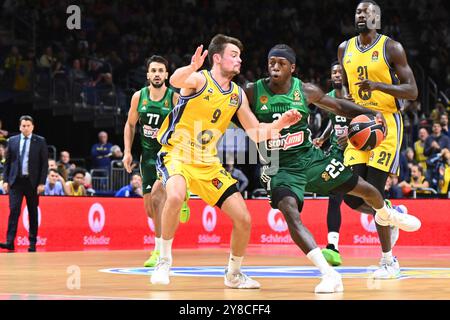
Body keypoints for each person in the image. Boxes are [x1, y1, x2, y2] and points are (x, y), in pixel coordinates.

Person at [246, 44, 420, 293]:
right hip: (280, 168)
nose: (274, 66)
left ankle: (389, 215)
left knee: (366, 191)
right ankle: (328, 274)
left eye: (280, 63)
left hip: (312, 160)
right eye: (271, 62)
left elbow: (339, 107)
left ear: (292, 68)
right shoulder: (253, 92)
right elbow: (234, 110)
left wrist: (370, 113)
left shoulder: (305, 90)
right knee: (289, 212)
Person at [151, 34, 301, 288]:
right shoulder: (199, 79)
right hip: (176, 152)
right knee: (175, 195)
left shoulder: (237, 95)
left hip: (207, 162)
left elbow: (255, 132)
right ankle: (163, 261)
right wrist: (191, 66)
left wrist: (280, 124)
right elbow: (175, 80)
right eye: (234, 55)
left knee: (243, 218)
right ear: (217, 58)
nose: (239, 60)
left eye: (240, 56)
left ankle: (233, 274)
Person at [338, 0, 419, 278]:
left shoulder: (391, 47)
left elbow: (411, 91)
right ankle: (392, 213)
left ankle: (388, 261)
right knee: (350, 194)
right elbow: (345, 95)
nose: (362, 15)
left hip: (386, 124)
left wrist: (379, 86)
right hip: (360, 124)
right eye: (359, 11)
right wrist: (346, 126)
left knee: (374, 191)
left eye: (368, 12)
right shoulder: (344, 49)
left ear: (378, 19)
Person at [122, 55, 190, 268]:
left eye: (161, 70)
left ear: (167, 75)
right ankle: (183, 198)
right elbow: (130, 125)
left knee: (159, 198)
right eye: (154, 70)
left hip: (168, 155)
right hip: (147, 157)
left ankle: (159, 252)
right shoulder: (138, 97)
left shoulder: (174, 98)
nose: (157, 74)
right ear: (148, 74)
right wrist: (127, 151)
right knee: (150, 208)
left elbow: (186, 125)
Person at [312, 62, 349, 266]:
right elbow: (333, 122)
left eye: (340, 71)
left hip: (356, 152)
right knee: (334, 196)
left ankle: (389, 212)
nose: (336, 74)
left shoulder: (354, 96)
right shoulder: (329, 97)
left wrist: (352, 137)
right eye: (333, 71)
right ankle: (333, 246)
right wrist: (324, 138)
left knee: (358, 199)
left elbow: (365, 122)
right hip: (336, 152)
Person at [0, 115, 48, 252]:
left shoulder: (40, 141)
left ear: (32, 127)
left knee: (33, 212)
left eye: (28, 125)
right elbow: (7, 163)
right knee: (14, 211)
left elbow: (44, 164)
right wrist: (5, 180)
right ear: (19, 127)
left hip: (32, 183)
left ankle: (32, 243)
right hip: (16, 182)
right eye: (23, 125)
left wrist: (41, 183)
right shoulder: (12, 140)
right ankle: (10, 242)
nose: (25, 128)